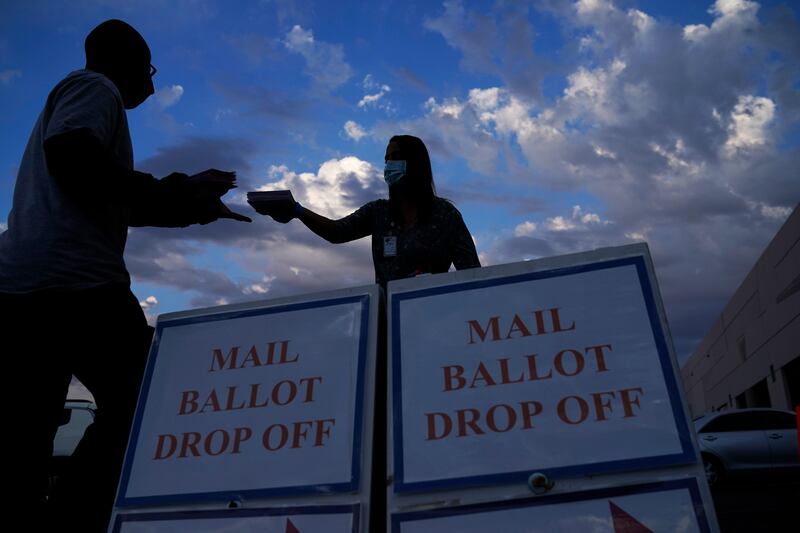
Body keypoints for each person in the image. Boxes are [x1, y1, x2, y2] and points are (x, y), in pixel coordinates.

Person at [0, 20, 249, 532]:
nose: (153, 85)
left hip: (24, 289)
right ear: (128, 61)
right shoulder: (95, 87)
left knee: (28, 427)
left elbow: (112, 198)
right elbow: (73, 158)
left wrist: (192, 205)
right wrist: (180, 191)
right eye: (150, 69)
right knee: (145, 401)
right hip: (79, 284)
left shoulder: (86, 102)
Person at [253, 135, 481, 285]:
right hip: (385, 317)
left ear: (416, 163)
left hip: (433, 318)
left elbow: (472, 274)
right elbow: (337, 231)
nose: (389, 164)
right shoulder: (378, 212)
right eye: (386, 159)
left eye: (396, 157)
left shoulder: (445, 215)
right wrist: (297, 211)